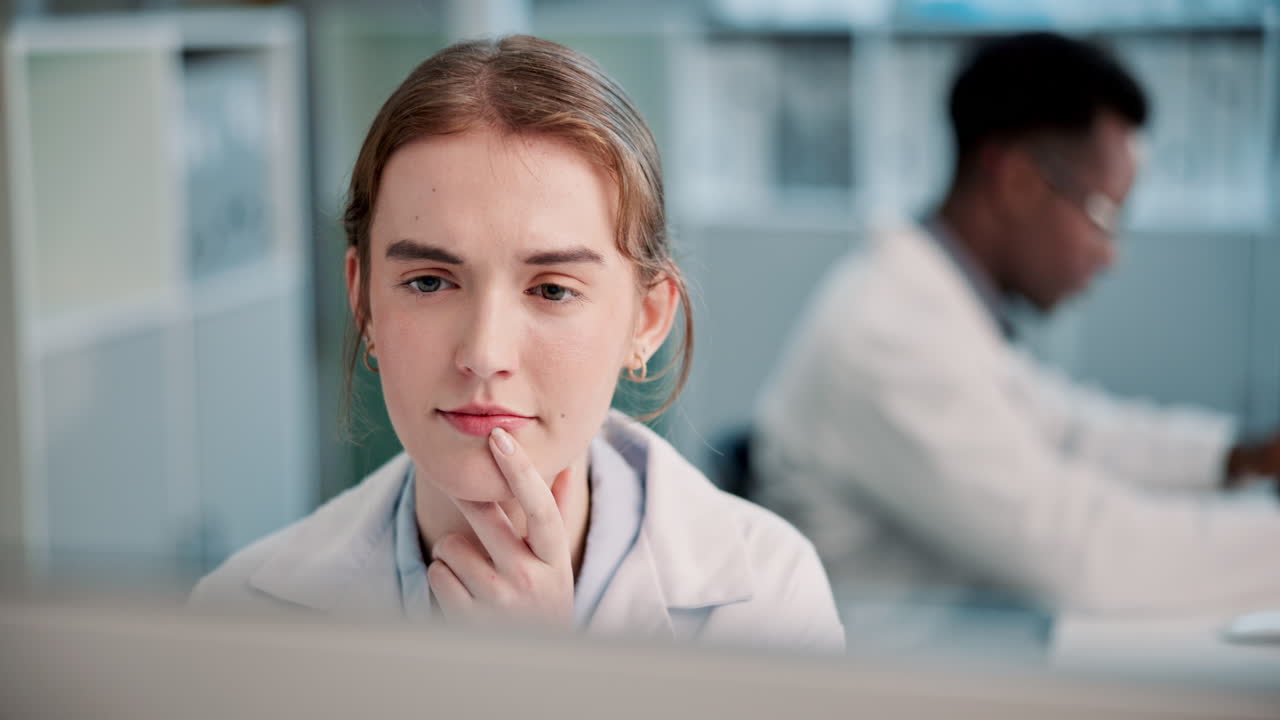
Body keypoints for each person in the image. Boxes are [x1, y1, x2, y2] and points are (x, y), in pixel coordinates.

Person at [192, 35, 843, 652]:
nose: (484, 352)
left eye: (552, 290)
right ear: (363, 301)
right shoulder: (238, 616)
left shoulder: (771, 601)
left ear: (646, 321)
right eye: (428, 281)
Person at [751, 32, 1280, 622]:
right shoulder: (886, 335)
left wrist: (1241, 457)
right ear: (1019, 181)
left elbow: (1075, 434)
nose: (1111, 254)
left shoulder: (943, 308)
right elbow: (1083, 553)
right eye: (1104, 215)